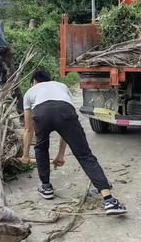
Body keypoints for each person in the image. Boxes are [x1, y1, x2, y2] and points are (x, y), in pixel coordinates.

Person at [20, 69, 127, 216]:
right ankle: (109, 200)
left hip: (41, 113)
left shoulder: (30, 91)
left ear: (34, 82)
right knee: (85, 155)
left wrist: (25, 155)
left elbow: (27, 129)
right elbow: (66, 127)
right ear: (51, 79)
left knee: (41, 147)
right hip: (65, 111)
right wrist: (60, 155)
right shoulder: (61, 86)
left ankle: (46, 187)